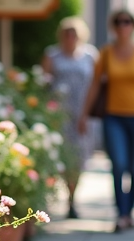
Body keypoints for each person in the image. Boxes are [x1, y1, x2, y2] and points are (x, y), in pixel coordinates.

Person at [79, 9, 134, 233]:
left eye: (127, 22)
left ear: (133, 26)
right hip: (113, 115)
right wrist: (84, 115)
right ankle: (120, 213)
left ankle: (130, 212)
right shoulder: (106, 53)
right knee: (118, 165)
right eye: (118, 22)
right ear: (113, 26)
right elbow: (95, 85)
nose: (123, 26)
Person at [42, 16, 98, 218]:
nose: (70, 38)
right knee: (62, 156)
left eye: (74, 34)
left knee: (80, 156)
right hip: (60, 114)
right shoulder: (52, 55)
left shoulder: (90, 56)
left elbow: (97, 84)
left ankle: (73, 197)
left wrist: (89, 112)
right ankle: (65, 193)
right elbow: (44, 84)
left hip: (83, 113)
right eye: (67, 34)